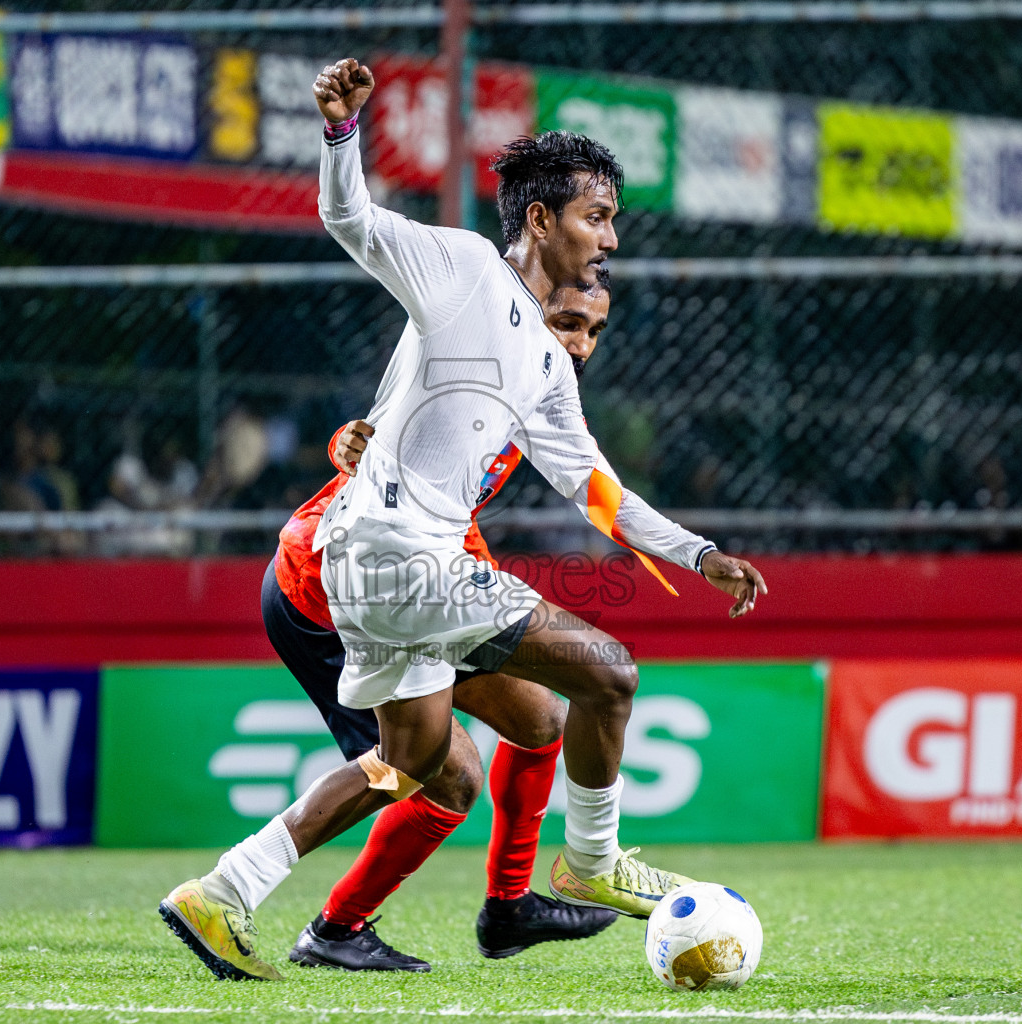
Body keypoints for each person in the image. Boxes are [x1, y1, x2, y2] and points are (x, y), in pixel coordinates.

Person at [160, 58, 766, 982]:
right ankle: (592, 864)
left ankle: (224, 891)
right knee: (609, 673)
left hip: (367, 570)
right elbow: (350, 220)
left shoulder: (549, 370)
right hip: (398, 560)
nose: (609, 240)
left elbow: (596, 489)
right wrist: (339, 135)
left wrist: (700, 551)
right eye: (596, 217)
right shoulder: (464, 267)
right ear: (539, 219)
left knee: (407, 766)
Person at [266, 278, 617, 974]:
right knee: (446, 778)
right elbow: (378, 431)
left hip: (424, 581)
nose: (579, 347)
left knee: (541, 721)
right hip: (326, 594)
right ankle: (321, 923)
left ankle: (509, 910)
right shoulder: (480, 361)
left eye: (593, 332)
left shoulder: (536, 401)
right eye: (566, 325)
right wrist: (347, 441)